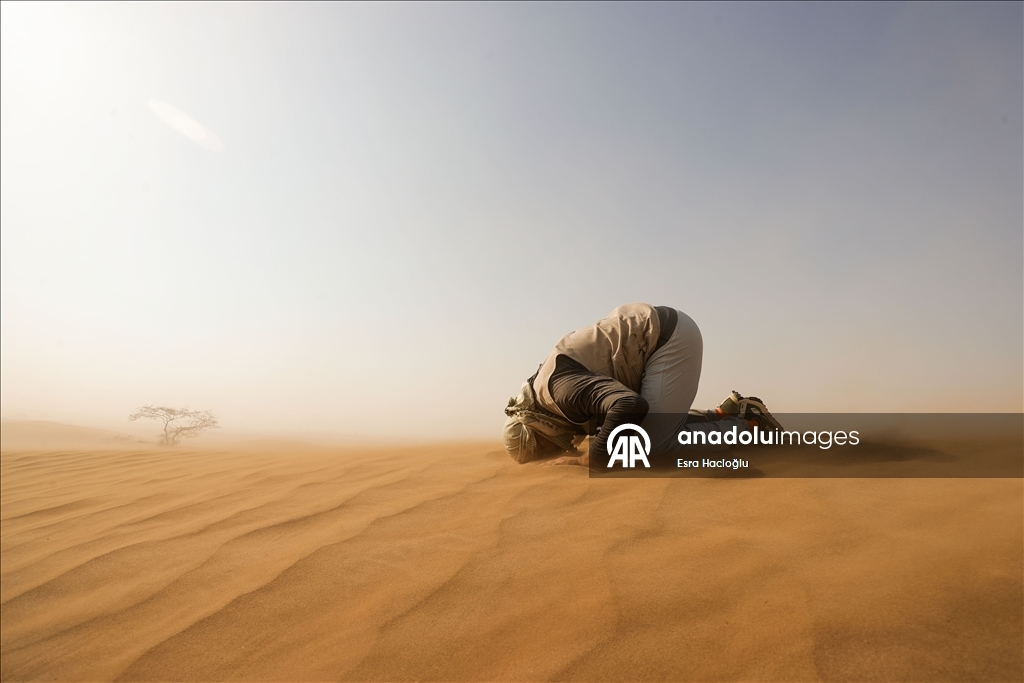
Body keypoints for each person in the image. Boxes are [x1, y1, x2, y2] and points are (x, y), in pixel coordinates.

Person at [502, 303, 781, 466]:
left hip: (667, 339)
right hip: (655, 340)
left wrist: (594, 457)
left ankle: (749, 428)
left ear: (536, 425)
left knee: (651, 445)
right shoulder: (547, 395)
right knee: (629, 434)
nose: (556, 450)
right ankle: (727, 414)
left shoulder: (561, 391)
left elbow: (629, 404)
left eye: (543, 447)